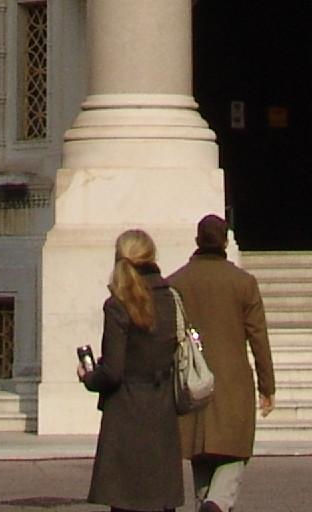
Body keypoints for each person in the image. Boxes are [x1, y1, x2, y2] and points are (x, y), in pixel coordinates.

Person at [171, 214, 274, 512]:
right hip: (233, 381)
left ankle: (207, 503)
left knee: (201, 454)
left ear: (196, 241)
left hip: (191, 381)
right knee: (233, 452)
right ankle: (215, 505)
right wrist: (267, 386)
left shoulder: (176, 282)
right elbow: (258, 337)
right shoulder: (243, 283)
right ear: (226, 241)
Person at [78, 227, 185, 512]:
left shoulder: (117, 304)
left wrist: (89, 377)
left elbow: (113, 371)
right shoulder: (171, 297)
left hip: (127, 413)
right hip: (162, 407)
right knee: (161, 502)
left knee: (127, 503)